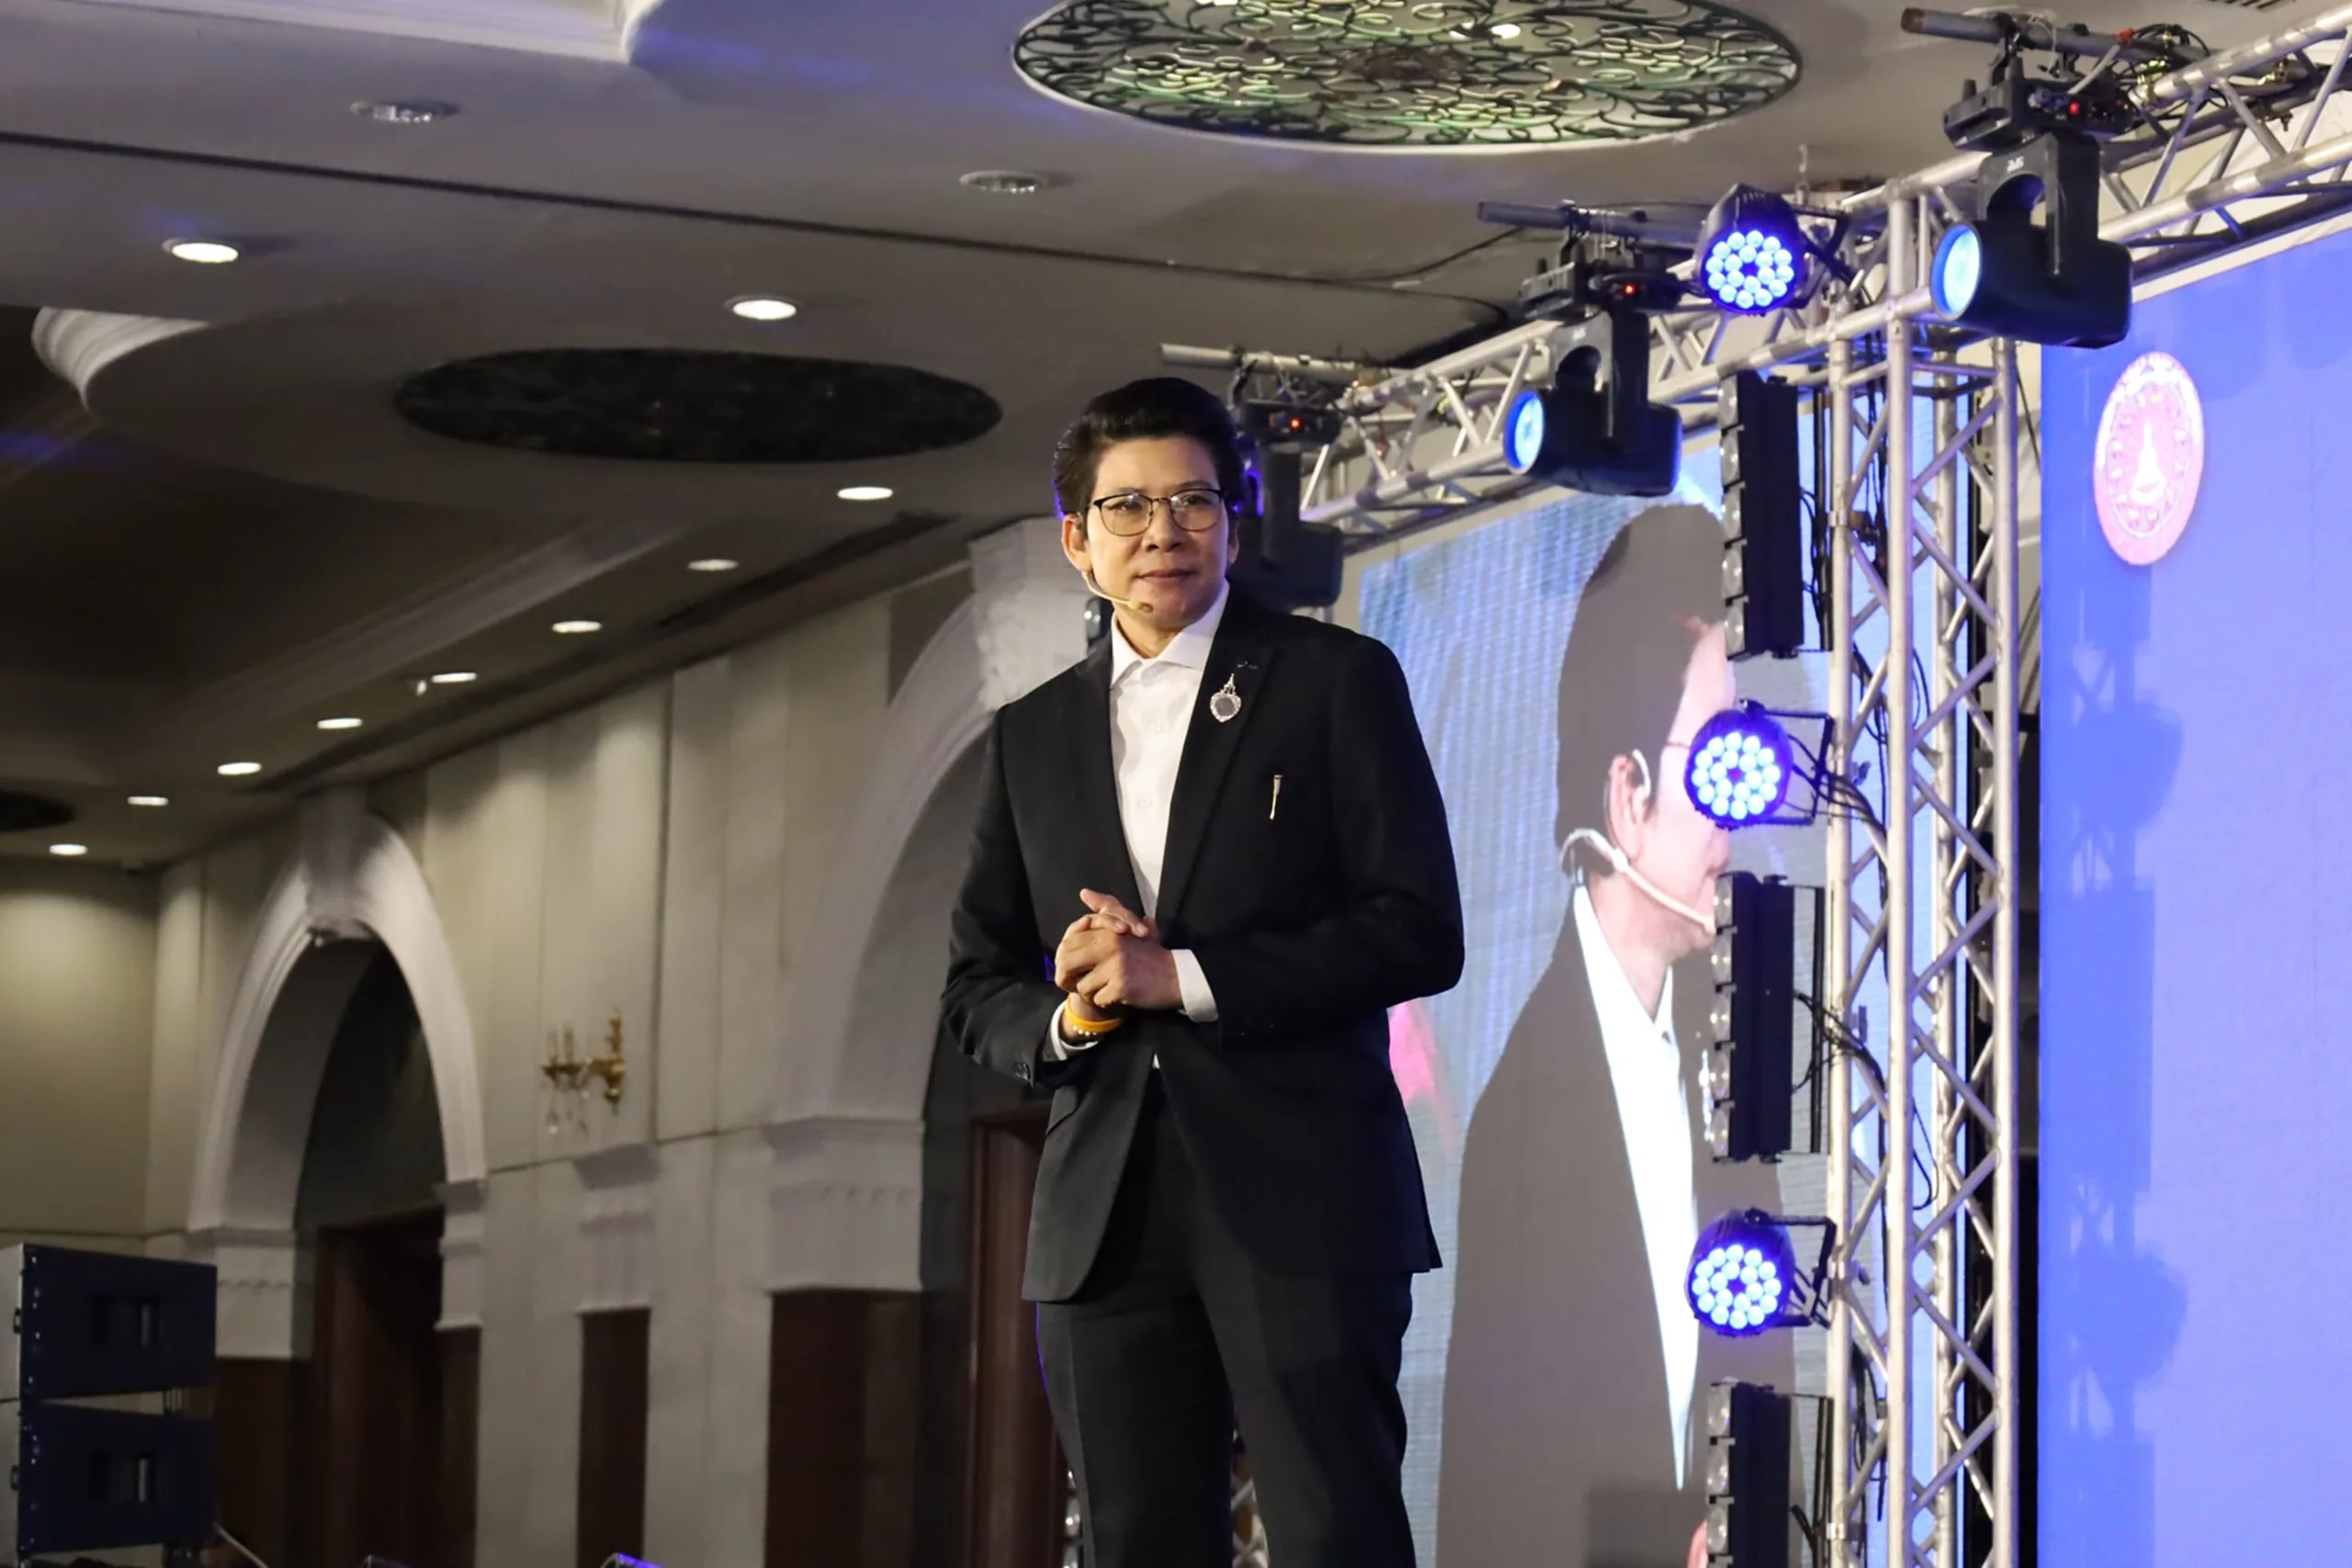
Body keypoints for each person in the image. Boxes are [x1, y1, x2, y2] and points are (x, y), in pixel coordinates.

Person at [939, 377, 1464, 1568]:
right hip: (1104, 1211)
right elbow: (976, 985)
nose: (1161, 531)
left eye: (1191, 502)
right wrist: (1074, 1012)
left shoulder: (1334, 680)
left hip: (1303, 1190)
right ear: (1077, 542)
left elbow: (1417, 929)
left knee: (1334, 1533)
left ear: (1237, 518)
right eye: (1125, 507)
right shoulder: (1031, 733)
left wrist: (1179, 975)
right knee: (1133, 1542)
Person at [1436, 505, 1791, 1566]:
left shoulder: (1731, 1045)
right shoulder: (1524, 1114)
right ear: (1626, 792)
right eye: (1718, 760)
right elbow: (1503, 1486)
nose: (1745, 809)